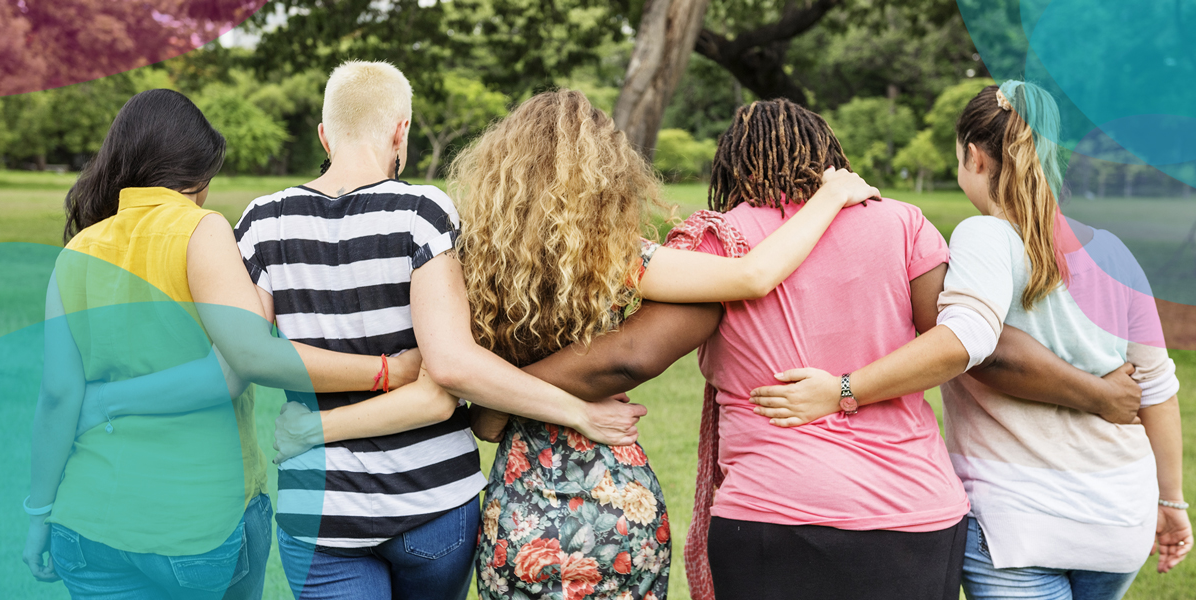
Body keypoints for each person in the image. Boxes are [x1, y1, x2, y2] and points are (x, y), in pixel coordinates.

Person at [469, 97, 1147, 600]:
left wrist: (494, 392)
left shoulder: (720, 236)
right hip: (916, 512)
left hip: (777, 514)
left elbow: (630, 358)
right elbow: (968, 340)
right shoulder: (902, 223)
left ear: (732, 164)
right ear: (829, 155)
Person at [273, 88, 881, 600]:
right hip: (617, 501)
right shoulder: (618, 260)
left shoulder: (470, 264)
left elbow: (482, 421)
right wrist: (828, 196)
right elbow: (751, 276)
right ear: (607, 173)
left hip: (521, 509)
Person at [751, 82, 1190, 599]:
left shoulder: (985, 236)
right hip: (1120, 520)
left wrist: (843, 389)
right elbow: (1157, 390)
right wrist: (1172, 502)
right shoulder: (1114, 252)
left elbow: (966, 339)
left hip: (1019, 524)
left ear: (975, 158)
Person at [230, 63, 645, 600]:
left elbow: (250, 355)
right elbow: (450, 366)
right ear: (400, 130)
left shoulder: (263, 222)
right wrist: (582, 413)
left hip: (322, 510)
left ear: (324, 135)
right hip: (431, 503)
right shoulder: (421, 212)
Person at [21, 88, 425, 600]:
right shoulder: (201, 230)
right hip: (196, 525)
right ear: (199, 176)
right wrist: (388, 371)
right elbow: (239, 365)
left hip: (86, 525)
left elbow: (57, 398)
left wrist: (39, 513)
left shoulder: (76, 252)